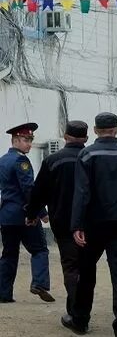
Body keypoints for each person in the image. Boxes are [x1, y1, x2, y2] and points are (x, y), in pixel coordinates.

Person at [68, 112, 117, 337]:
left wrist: (77, 224)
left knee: (87, 272)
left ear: (96, 130)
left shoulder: (87, 154)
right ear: (116, 129)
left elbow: (82, 192)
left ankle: (80, 320)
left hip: (93, 222)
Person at [25, 121, 87, 316]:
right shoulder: (92, 157)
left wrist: (32, 214)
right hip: (90, 222)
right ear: (86, 138)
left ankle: (76, 311)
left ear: (65, 136)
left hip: (63, 221)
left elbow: (39, 191)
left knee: (70, 266)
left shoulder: (53, 160)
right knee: (86, 267)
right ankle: (82, 309)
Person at [0, 122, 52, 304]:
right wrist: (41, 212)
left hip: (6, 215)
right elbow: (29, 189)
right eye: (25, 140)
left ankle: (3, 293)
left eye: (30, 140)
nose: (29, 144)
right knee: (39, 249)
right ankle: (39, 283)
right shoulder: (21, 161)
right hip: (24, 215)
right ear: (15, 140)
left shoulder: (3, 160)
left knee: (8, 254)